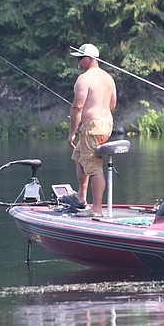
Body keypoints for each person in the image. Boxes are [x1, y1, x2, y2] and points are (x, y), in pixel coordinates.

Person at [68, 43, 117, 215]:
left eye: (80, 58)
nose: (78, 62)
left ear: (90, 59)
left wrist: (72, 133)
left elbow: (76, 108)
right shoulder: (108, 78)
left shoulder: (84, 79)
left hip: (92, 127)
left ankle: (96, 209)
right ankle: (81, 196)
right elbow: (113, 105)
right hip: (106, 125)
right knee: (79, 156)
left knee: (94, 167)